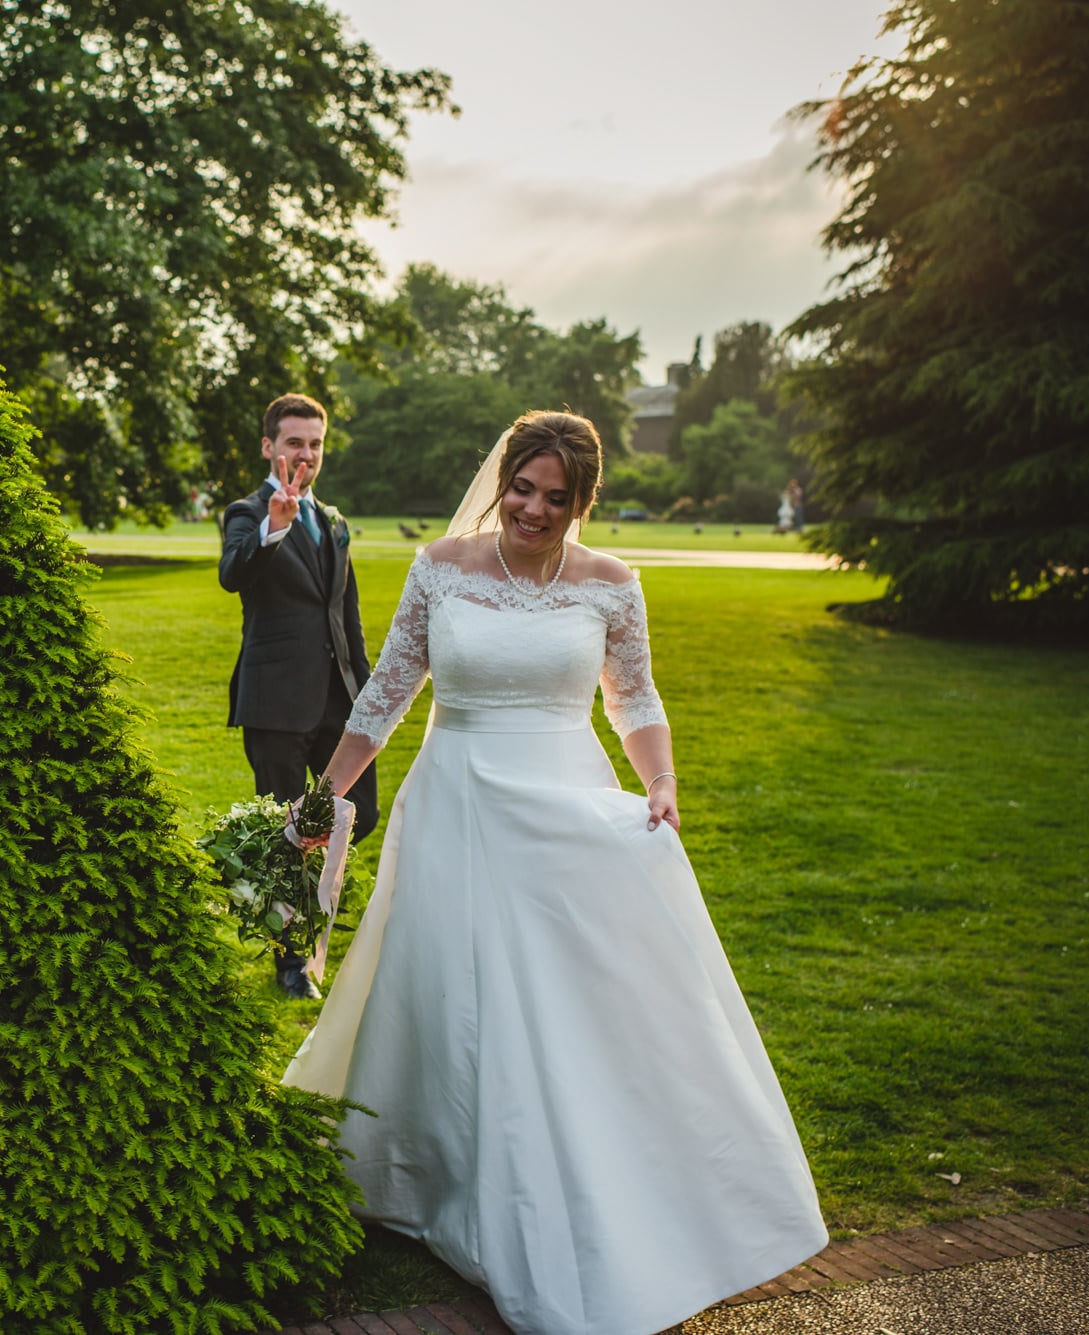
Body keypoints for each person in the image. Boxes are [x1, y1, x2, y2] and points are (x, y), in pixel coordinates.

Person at [285, 411, 827, 1335]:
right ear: (504, 480)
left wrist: (660, 781)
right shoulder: (441, 566)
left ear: (582, 502)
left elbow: (636, 695)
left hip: (562, 806)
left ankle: (574, 1175)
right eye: (523, 488)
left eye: (556, 497)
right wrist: (323, 799)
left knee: (561, 1000)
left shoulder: (612, 584)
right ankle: (439, 1172)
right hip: (456, 801)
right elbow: (388, 690)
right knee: (454, 995)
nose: (533, 509)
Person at [219, 392, 381, 999]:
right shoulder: (247, 511)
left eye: (314, 444)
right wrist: (273, 529)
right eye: (294, 443)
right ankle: (291, 967)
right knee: (289, 831)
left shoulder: (335, 520)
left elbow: (348, 617)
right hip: (275, 702)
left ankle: (297, 887)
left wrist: (368, 698)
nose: (305, 455)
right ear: (269, 447)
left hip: (339, 703)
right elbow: (234, 573)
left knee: (358, 810)